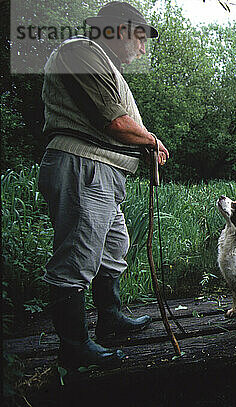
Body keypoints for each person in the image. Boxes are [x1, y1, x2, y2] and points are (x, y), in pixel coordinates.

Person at [38, 1, 169, 370]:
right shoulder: (80, 51)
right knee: (77, 258)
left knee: (113, 246)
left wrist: (144, 143)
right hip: (83, 165)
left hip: (102, 170)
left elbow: (117, 126)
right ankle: (74, 348)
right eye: (141, 39)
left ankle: (109, 320)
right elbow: (113, 122)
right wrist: (151, 141)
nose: (143, 48)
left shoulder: (100, 61)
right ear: (120, 30)